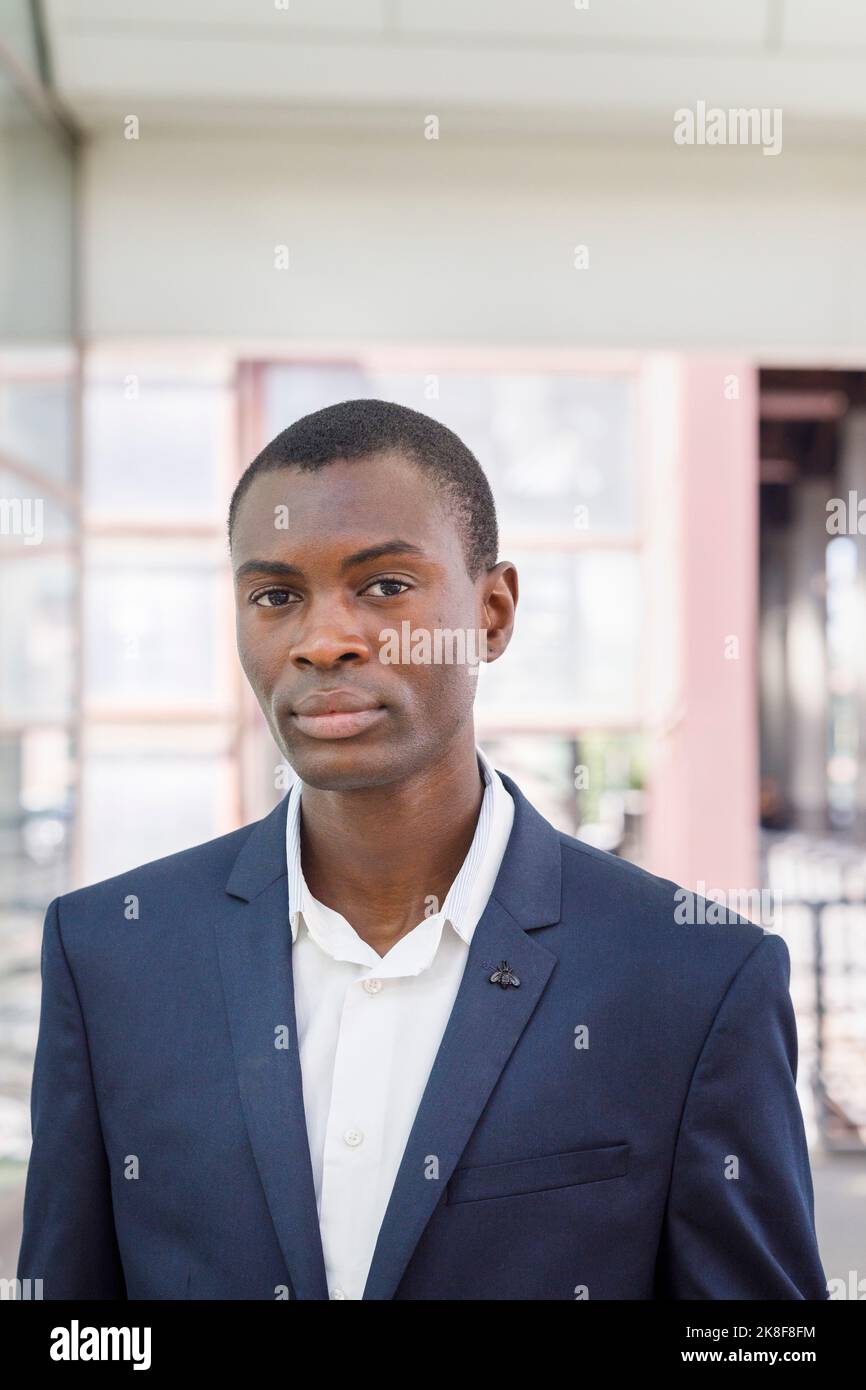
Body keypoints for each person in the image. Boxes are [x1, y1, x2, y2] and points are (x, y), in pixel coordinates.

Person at [17, 399, 827, 1300]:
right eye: (276, 596)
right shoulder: (112, 956)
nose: (325, 642)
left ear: (492, 612)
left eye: (385, 587)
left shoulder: (695, 980)